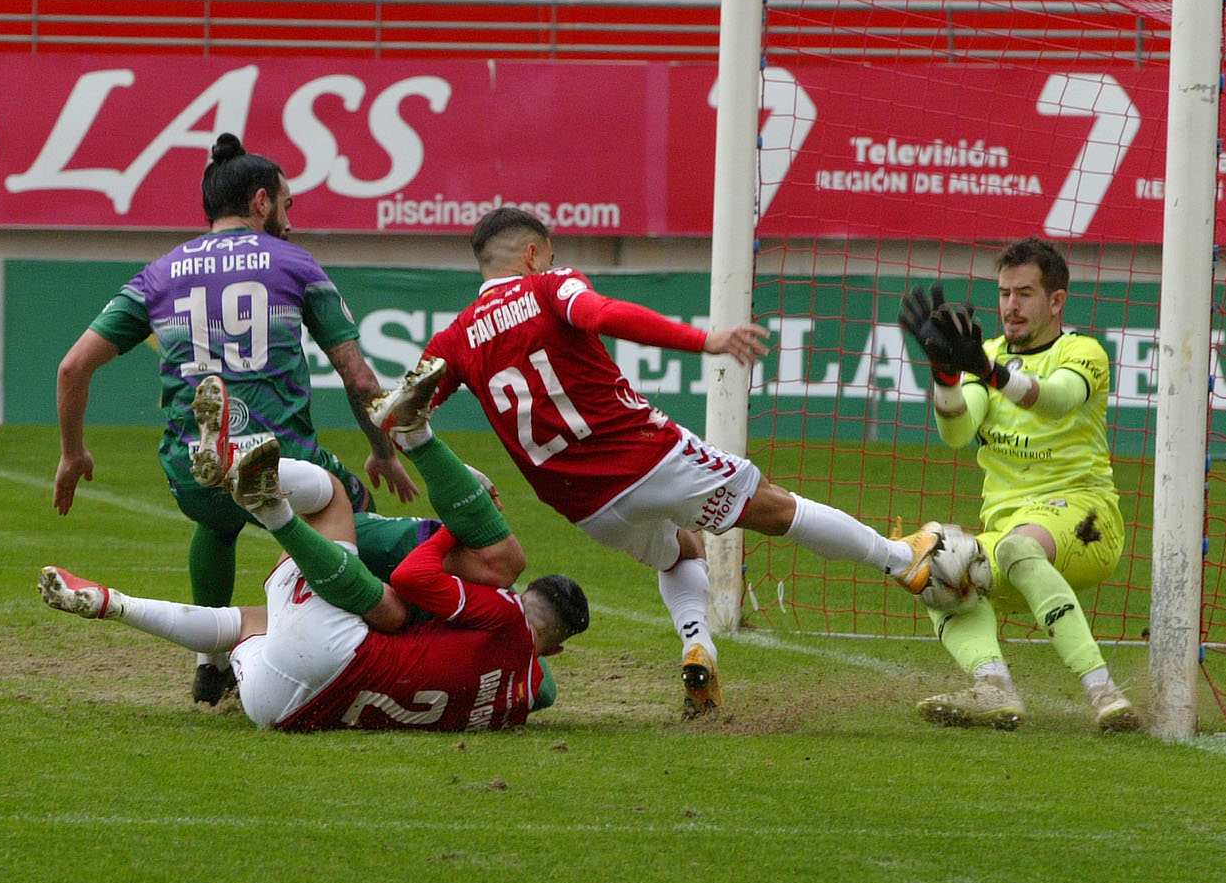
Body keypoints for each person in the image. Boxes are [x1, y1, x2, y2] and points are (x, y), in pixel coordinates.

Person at [371, 205, 940, 720]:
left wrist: (397, 453)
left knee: (682, 551)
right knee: (774, 505)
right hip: (645, 456)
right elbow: (602, 313)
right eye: (552, 253)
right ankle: (900, 561)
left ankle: (698, 646)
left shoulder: (455, 338)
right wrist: (704, 341)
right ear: (532, 254)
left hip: (582, 505)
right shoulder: (549, 287)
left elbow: (401, 413)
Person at [51, 133, 416, 709]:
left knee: (219, 517)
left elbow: (72, 367)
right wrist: (382, 451)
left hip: (190, 477)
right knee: (352, 515)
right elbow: (362, 381)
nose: (292, 223)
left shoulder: (160, 273)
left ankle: (211, 661)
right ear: (263, 202)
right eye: (289, 206)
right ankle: (365, 655)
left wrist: (73, 453)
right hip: (282, 461)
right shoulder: (294, 264)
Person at [41, 378, 588, 733]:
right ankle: (116, 604)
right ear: (554, 653)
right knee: (252, 624)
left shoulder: (500, 601)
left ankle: (248, 475)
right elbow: (543, 689)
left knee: (334, 502)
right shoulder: (528, 689)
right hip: (280, 708)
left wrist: (448, 529)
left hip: (356, 609)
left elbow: (417, 578)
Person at [896, 236, 1139, 732]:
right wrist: (945, 375)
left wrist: (988, 371)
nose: (1011, 306)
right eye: (1004, 293)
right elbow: (958, 432)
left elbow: (1053, 400)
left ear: (1056, 301)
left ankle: (1104, 693)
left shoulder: (1083, 352)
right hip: (1011, 530)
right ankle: (993, 689)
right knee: (930, 569)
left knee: (1015, 548)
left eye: (1024, 293)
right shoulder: (981, 353)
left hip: (1086, 520)